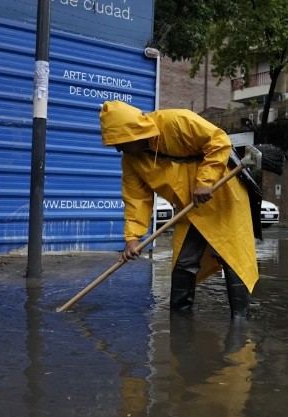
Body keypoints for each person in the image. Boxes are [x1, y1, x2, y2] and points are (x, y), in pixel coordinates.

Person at [99, 100, 258, 318]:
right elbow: (136, 199)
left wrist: (205, 180)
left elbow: (219, 140)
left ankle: (240, 322)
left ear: (134, 133)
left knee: (231, 256)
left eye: (120, 142)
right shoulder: (131, 160)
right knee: (184, 262)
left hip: (222, 195)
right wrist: (133, 238)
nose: (118, 149)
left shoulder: (176, 122)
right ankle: (180, 320)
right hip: (190, 208)